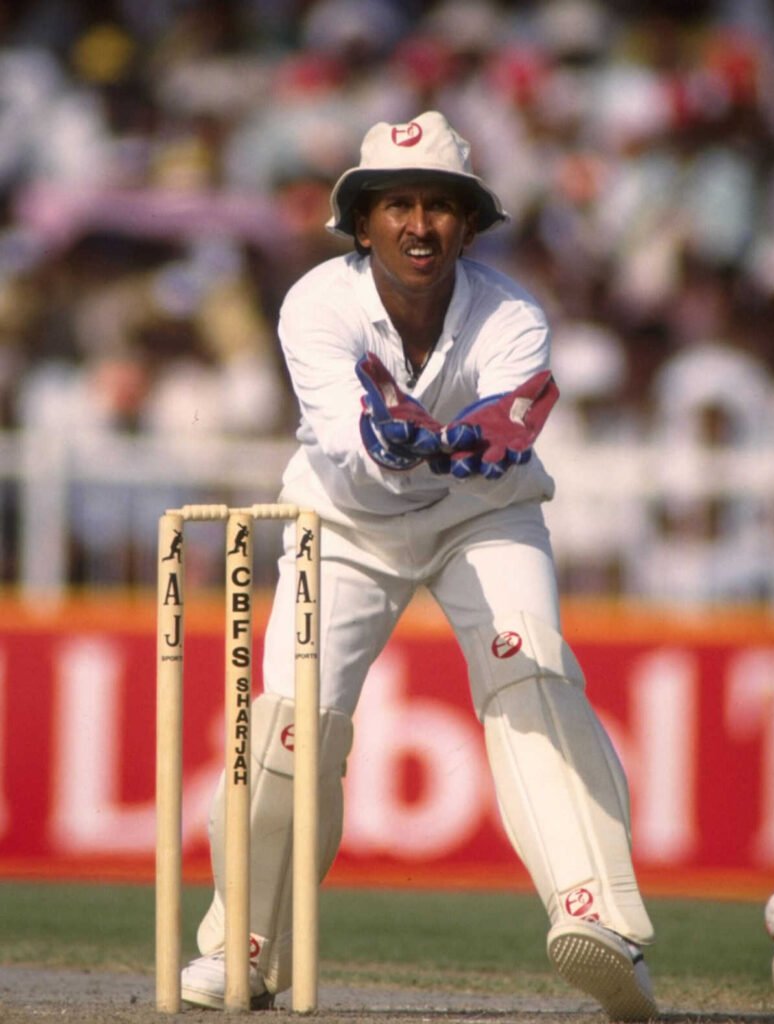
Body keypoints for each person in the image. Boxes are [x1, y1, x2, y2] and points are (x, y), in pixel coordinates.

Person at [181, 111, 658, 1020]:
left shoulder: (512, 315)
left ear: (469, 225)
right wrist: (389, 441)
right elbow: (344, 438)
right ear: (361, 224)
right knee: (288, 725)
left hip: (483, 516)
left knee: (532, 674)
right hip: (343, 522)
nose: (419, 224)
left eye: (440, 205)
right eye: (396, 204)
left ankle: (601, 918)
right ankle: (246, 943)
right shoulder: (316, 304)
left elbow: (507, 427)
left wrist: (458, 440)